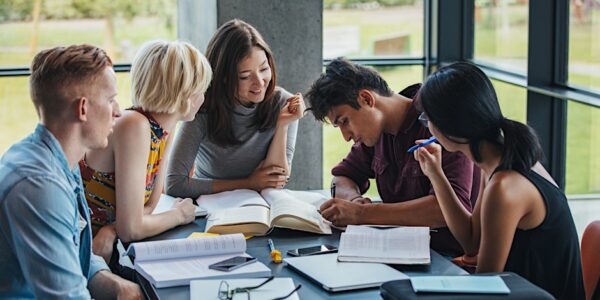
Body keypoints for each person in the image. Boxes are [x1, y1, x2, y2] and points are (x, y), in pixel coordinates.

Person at [413, 62, 584, 299]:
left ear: (450, 126)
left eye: (427, 120)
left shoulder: (504, 187)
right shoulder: (501, 159)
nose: (428, 129)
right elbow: (472, 241)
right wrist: (436, 175)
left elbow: (484, 287)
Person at [0, 45, 141, 298]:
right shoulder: (39, 186)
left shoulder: (60, 160)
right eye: (110, 100)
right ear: (83, 108)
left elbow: (72, 248)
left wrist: (111, 282)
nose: (118, 111)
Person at [306, 58, 479, 256]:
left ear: (366, 99)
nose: (346, 136)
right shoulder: (376, 134)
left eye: (345, 121)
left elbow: (445, 210)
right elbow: (343, 176)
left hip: (450, 260)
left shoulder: (437, 120)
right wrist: (353, 200)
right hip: (399, 252)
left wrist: (362, 214)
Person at [79, 40, 212, 262]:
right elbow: (131, 228)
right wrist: (179, 215)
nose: (203, 97)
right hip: (83, 253)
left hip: (107, 250)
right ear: (185, 94)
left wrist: (113, 229)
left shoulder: (162, 130)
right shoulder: (134, 125)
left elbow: (151, 203)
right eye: (201, 88)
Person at [166, 19, 305, 199]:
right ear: (223, 77)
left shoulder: (283, 103)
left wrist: (283, 125)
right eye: (245, 76)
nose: (259, 82)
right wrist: (248, 183)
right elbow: (174, 184)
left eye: (264, 69)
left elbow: (277, 179)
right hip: (211, 208)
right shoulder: (201, 108)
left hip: (259, 207)